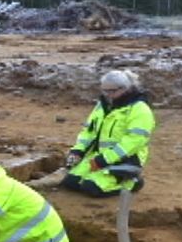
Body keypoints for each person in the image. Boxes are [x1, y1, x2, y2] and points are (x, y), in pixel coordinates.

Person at [60, 69, 155, 197]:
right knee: (71, 182)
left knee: (91, 187)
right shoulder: (103, 106)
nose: (107, 95)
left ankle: (132, 182)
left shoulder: (139, 109)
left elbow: (133, 142)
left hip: (126, 159)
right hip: (98, 155)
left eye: (112, 91)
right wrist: (78, 150)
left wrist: (104, 159)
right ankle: (104, 176)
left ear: (126, 89)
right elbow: (89, 131)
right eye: (105, 90)